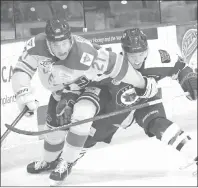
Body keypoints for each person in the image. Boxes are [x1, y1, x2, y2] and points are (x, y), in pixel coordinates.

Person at [11, 19, 158, 186]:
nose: (61, 50)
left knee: (82, 115)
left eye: (64, 43)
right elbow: (21, 69)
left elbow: (118, 65)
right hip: (61, 93)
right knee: (54, 133)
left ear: (70, 39)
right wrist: (22, 93)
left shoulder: (84, 52)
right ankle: (49, 161)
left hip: (91, 88)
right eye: (55, 44)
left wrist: (142, 84)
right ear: (47, 41)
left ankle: (67, 162)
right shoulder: (35, 45)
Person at [55, 28, 197, 180]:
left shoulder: (159, 58)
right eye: (132, 55)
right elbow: (80, 83)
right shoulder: (111, 64)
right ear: (124, 51)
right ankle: (68, 160)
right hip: (117, 108)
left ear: (147, 49)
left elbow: (181, 67)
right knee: (90, 135)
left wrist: (189, 79)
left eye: (141, 54)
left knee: (160, 125)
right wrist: (68, 100)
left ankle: (194, 154)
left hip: (147, 101)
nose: (137, 60)